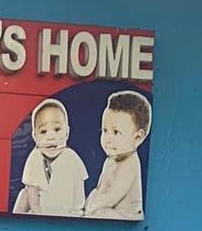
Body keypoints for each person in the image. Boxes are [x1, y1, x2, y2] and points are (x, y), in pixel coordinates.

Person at [12, 99, 87, 216]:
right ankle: (15, 223)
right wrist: (39, 214)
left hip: (66, 211)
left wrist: (76, 212)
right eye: (43, 131)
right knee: (24, 194)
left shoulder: (71, 158)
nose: (51, 137)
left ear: (67, 132)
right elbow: (32, 192)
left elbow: (79, 192)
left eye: (57, 129)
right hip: (41, 209)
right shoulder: (34, 157)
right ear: (35, 136)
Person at [85, 90, 151, 220]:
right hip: (110, 211)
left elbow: (113, 197)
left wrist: (93, 207)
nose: (107, 139)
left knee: (99, 212)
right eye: (105, 130)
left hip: (127, 217)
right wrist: (91, 200)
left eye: (116, 132)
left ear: (137, 138)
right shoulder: (111, 160)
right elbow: (101, 189)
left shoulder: (130, 164)